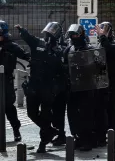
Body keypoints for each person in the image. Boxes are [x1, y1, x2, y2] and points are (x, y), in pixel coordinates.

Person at [15, 22, 65, 153]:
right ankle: (50, 131)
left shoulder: (59, 51)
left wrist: (57, 88)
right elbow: (28, 37)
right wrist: (22, 30)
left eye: (52, 32)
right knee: (31, 113)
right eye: (48, 32)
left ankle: (43, 143)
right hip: (33, 85)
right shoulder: (38, 43)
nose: (48, 34)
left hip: (48, 87)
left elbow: (62, 72)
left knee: (46, 115)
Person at [64, 24, 95, 151]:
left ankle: (87, 140)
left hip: (86, 88)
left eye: (76, 35)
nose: (74, 37)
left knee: (85, 115)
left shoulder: (89, 49)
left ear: (81, 34)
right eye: (72, 35)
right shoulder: (69, 49)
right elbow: (64, 65)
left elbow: (96, 67)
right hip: (72, 87)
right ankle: (76, 137)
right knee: (72, 114)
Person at [0, 20, 30, 142]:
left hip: (6, 80)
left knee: (8, 107)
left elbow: (25, 56)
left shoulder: (11, 46)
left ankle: (16, 130)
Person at [95, 22, 115, 144]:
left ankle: (113, 134)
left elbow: (109, 50)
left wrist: (102, 36)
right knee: (100, 109)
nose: (102, 31)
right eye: (101, 29)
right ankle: (101, 134)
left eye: (104, 29)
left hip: (111, 83)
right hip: (101, 82)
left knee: (111, 109)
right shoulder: (100, 44)